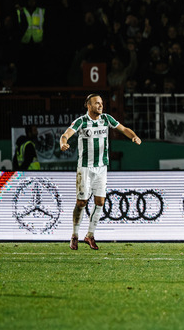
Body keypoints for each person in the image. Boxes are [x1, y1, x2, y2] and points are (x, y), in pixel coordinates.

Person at [59, 94, 142, 250]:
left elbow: (123, 129)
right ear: (88, 105)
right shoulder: (81, 121)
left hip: (101, 167)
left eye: (101, 103)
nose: (100, 105)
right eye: (97, 103)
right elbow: (66, 135)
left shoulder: (106, 119)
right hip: (85, 168)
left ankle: (90, 235)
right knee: (81, 203)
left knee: (100, 202)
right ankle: (74, 235)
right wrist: (63, 143)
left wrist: (134, 136)